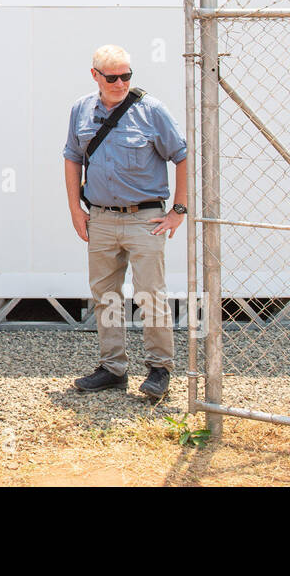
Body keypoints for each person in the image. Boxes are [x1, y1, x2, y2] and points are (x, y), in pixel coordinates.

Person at [62, 43, 187, 402]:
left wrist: (179, 209)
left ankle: (159, 370)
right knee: (106, 296)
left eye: (127, 75)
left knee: (151, 296)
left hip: (145, 218)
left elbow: (181, 155)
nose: (120, 83)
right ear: (95, 76)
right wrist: (75, 209)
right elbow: (72, 158)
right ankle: (112, 369)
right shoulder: (81, 110)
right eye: (113, 77)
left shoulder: (151, 110)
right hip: (100, 217)